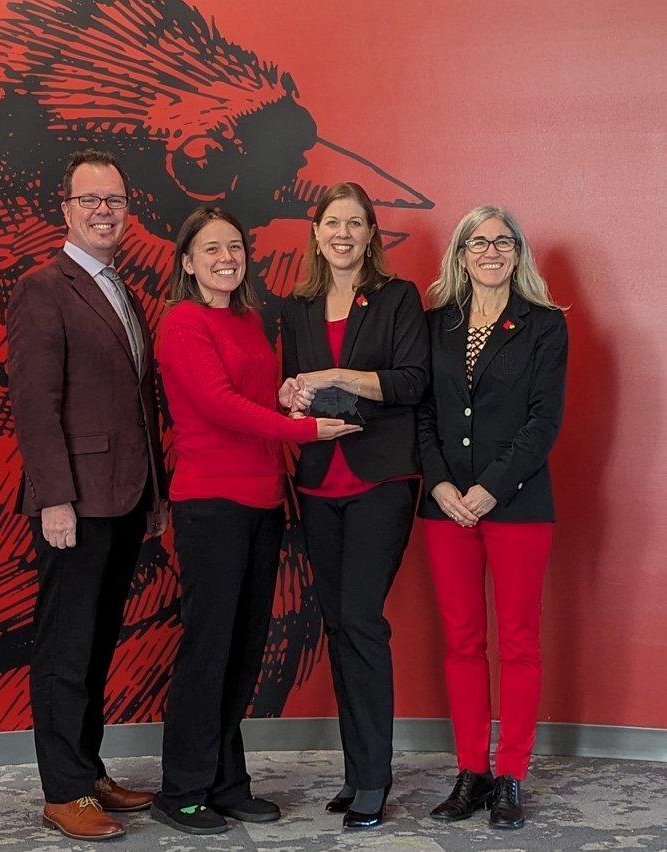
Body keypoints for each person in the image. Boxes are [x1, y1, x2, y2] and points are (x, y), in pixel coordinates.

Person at [150, 207, 360, 836]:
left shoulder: (245, 319)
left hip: (263, 502)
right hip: (212, 504)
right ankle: (182, 789)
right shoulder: (184, 322)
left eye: (234, 247)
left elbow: (252, 397)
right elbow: (218, 406)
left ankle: (226, 782)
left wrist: (287, 397)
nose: (226, 257)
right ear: (188, 261)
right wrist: (301, 428)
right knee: (208, 649)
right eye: (211, 248)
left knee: (242, 652)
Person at [7, 149, 168, 841]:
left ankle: (88, 768)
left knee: (98, 642)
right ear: (66, 209)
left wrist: (155, 495)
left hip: (126, 496)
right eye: (91, 200)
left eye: (116, 201)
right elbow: (35, 406)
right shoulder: (45, 287)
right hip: (76, 501)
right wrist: (54, 499)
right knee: (66, 646)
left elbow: (137, 403)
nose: (105, 211)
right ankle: (64, 789)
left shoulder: (118, 287)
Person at [280, 182, 430, 829]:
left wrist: (338, 376)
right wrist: (291, 395)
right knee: (339, 626)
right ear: (316, 233)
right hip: (316, 482)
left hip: (379, 480)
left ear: (372, 234)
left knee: (363, 621)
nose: (343, 234)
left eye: (355, 224)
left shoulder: (398, 299)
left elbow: (412, 381)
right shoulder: (299, 307)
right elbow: (290, 385)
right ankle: (354, 771)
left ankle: (375, 778)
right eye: (332, 223)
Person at [417, 205, 568, 830]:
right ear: (460, 254)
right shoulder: (432, 326)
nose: (490, 251)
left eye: (502, 241)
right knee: (461, 642)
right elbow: (421, 415)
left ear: (518, 253)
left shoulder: (544, 326)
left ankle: (510, 775)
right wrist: (444, 483)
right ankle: (472, 770)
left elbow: (543, 422)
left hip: (518, 504)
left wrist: (489, 490)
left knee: (518, 642)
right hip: (445, 506)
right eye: (477, 242)